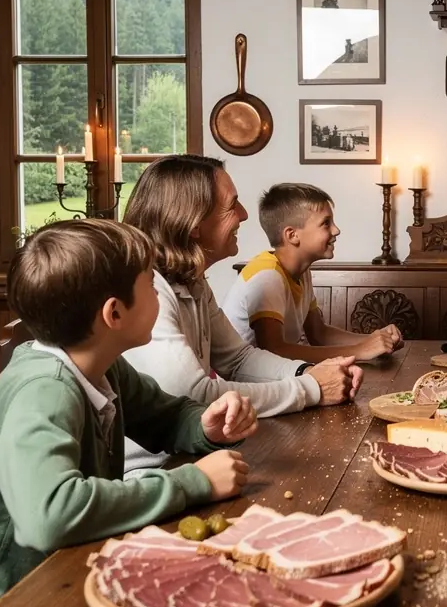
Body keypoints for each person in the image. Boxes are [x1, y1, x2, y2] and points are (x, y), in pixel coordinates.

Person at [0, 219, 256, 607]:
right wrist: (191, 483)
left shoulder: (101, 365)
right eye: (150, 283)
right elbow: (49, 516)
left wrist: (206, 427)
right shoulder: (46, 390)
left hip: (53, 580)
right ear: (114, 313)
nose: (158, 292)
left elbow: (165, 417)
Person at [122, 155, 362, 475]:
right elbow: (197, 396)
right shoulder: (148, 290)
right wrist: (312, 388)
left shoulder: (191, 281)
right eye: (232, 205)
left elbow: (238, 360)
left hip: (194, 457)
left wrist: (310, 371)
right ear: (193, 224)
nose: (244, 214)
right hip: (151, 473)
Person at [222, 183, 404, 361]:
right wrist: (359, 350)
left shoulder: (301, 272)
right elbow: (274, 352)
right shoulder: (267, 276)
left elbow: (319, 334)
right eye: (326, 223)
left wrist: (375, 339)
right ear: (292, 235)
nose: (336, 230)